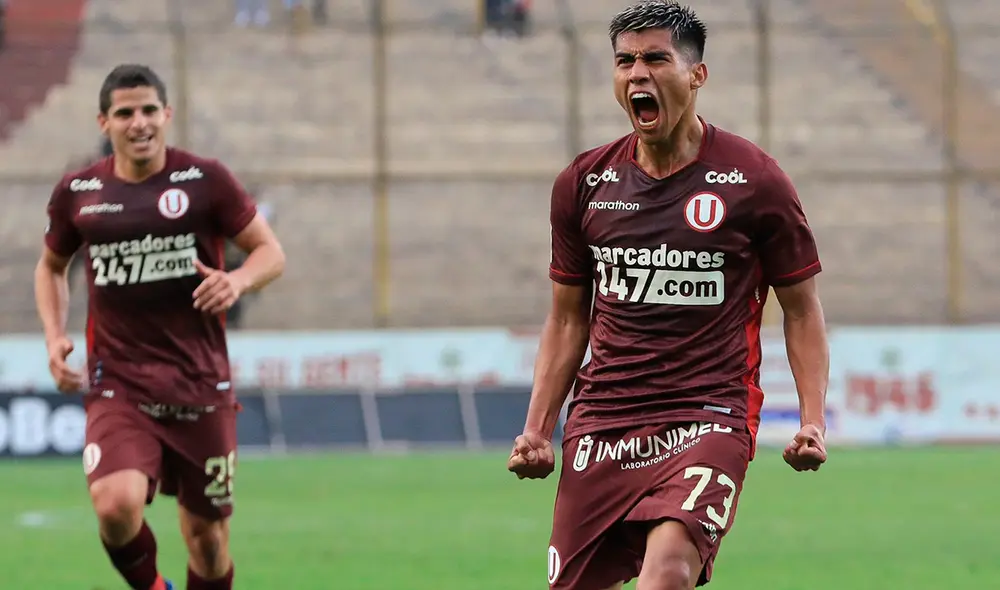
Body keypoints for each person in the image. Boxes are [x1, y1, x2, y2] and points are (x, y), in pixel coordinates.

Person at [506, 2, 829, 589]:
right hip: (604, 418)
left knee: (670, 570)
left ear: (697, 76)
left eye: (656, 58)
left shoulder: (756, 181)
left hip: (708, 413)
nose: (637, 74)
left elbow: (802, 310)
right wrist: (537, 427)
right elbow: (566, 321)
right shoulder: (584, 184)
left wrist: (812, 419)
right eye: (625, 61)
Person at [34, 64, 285, 590]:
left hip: (199, 385)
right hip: (118, 384)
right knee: (115, 505)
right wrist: (55, 334)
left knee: (209, 542)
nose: (139, 122)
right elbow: (51, 266)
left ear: (167, 115)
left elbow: (270, 252)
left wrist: (237, 282)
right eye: (125, 113)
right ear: (104, 121)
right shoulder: (79, 191)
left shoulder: (206, 181)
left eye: (149, 110)